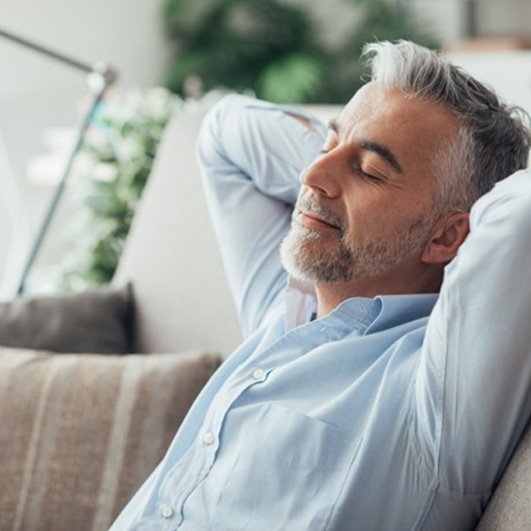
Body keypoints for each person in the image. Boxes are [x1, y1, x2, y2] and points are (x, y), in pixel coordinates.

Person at [111, 40, 531, 530]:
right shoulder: (284, 311)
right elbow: (224, 133)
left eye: (370, 171)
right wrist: (357, 144)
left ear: (447, 235)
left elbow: (519, 220)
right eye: (325, 147)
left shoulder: (438, 397)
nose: (309, 175)